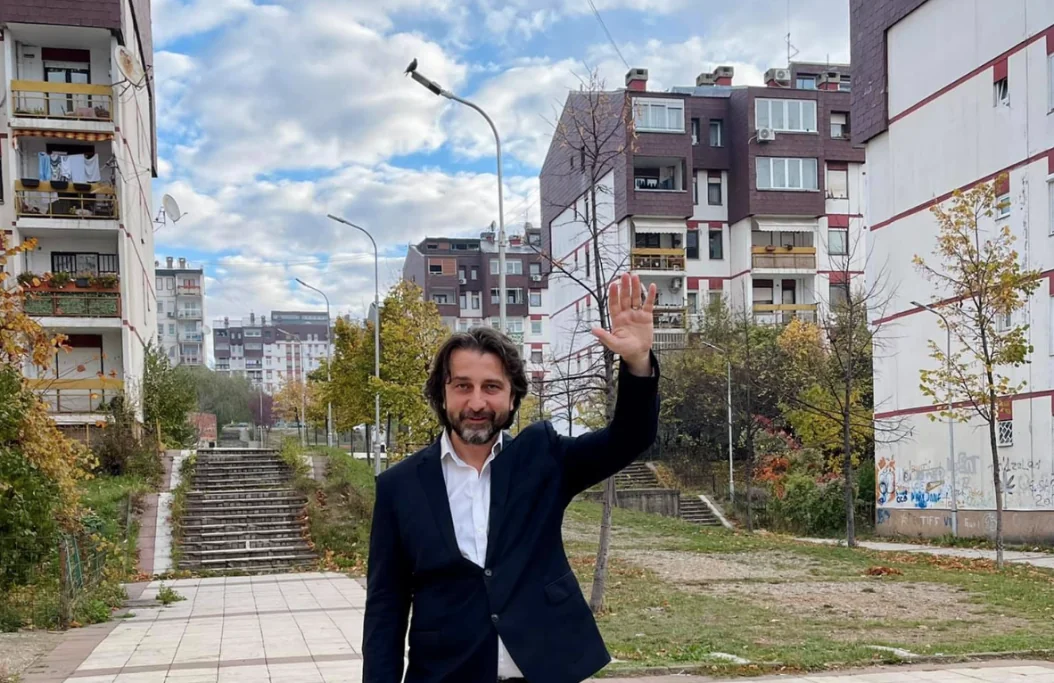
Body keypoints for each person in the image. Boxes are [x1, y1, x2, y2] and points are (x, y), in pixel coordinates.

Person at [363, 273, 661, 683]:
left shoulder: (543, 458)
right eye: (462, 386)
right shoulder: (399, 487)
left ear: (512, 395)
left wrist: (637, 362)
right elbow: (386, 606)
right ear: (442, 394)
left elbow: (629, 438)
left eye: (491, 387)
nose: (477, 402)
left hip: (543, 672)